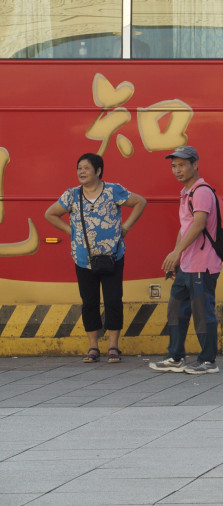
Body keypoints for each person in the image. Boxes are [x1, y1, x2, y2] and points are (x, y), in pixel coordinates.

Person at [44, 153, 146, 364]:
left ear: (98, 171)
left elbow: (140, 202)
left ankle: (113, 347)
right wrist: (71, 231)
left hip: (112, 257)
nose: (81, 172)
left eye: (86, 168)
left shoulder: (113, 190)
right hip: (83, 258)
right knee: (89, 302)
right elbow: (50, 214)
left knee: (112, 301)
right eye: (79, 168)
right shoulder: (71, 195)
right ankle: (93, 347)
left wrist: (125, 227)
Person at [151, 146, 223, 374]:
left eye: (182, 164)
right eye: (174, 166)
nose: (177, 170)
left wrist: (175, 253)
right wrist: (177, 257)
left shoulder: (201, 191)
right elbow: (185, 228)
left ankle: (208, 361)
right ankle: (175, 356)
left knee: (202, 313)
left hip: (203, 264)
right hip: (188, 264)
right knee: (176, 309)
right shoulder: (186, 192)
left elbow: (199, 225)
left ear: (195, 164)